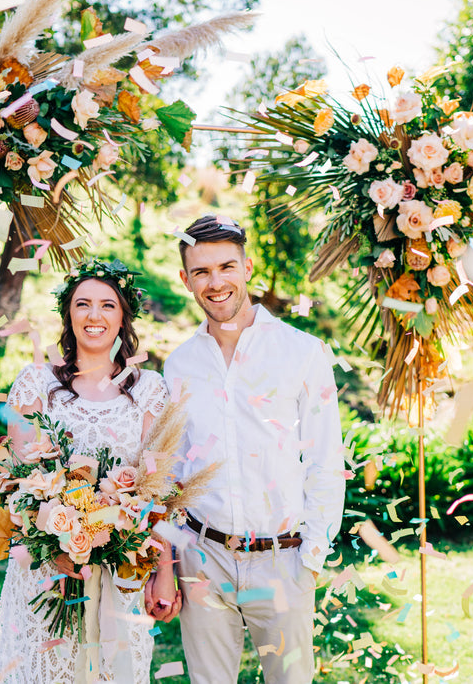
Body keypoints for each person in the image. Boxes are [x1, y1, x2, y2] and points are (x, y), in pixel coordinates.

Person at [161, 215, 346, 683]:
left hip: (284, 559)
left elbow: (325, 460)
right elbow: (172, 472)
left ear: (247, 267)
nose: (215, 282)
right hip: (203, 557)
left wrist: (312, 557)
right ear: (185, 280)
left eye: (226, 266)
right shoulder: (179, 364)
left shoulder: (302, 352)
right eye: (201, 272)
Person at [0, 257, 181, 684]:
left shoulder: (149, 390)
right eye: (83, 304)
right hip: (43, 575)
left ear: (123, 317)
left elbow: (159, 492)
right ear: (67, 314)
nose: (95, 316)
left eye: (108, 305)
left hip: (120, 576)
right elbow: (17, 486)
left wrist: (165, 572)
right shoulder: (35, 384)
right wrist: (55, 547)